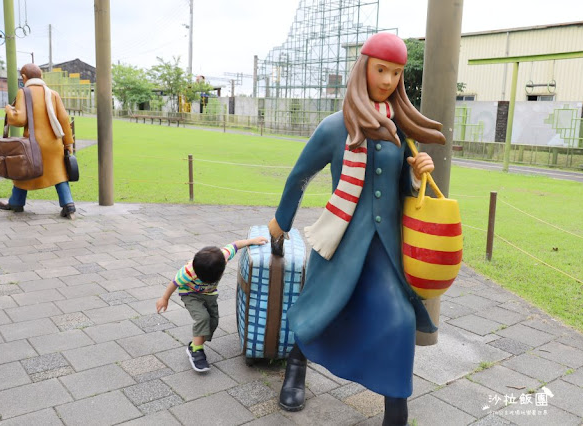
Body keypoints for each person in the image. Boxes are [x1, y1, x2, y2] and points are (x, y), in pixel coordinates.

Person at [268, 32, 447, 425]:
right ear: (363, 67)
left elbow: (401, 191)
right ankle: (297, 364)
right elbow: (300, 176)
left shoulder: (398, 131)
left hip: (386, 248)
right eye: (381, 69)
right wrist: (280, 224)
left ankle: (396, 406)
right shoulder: (335, 127)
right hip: (342, 240)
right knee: (321, 307)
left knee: (398, 320)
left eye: (396, 73)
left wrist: (417, 177)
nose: (387, 80)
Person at [156, 236, 267, 372]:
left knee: (213, 322)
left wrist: (251, 241)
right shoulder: (187, 272)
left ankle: (195, 345)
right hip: (190, 294)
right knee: (203, 318)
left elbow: (236, 244)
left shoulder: (222, 257)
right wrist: (164, 298)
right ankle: (196, 351)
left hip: (210, 294)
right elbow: (174, 283)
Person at [0, 63, 77, 218]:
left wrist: (8, 109)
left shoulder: (24, 92)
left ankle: (16, 203)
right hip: (54, 143)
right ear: (41, 76)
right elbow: (64, 119)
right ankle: (69, 204)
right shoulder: (52, 93)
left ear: (24, 77)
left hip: (33, 144)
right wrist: (68, 143)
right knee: (59, 174)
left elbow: (19, 119)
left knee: (23, 172)